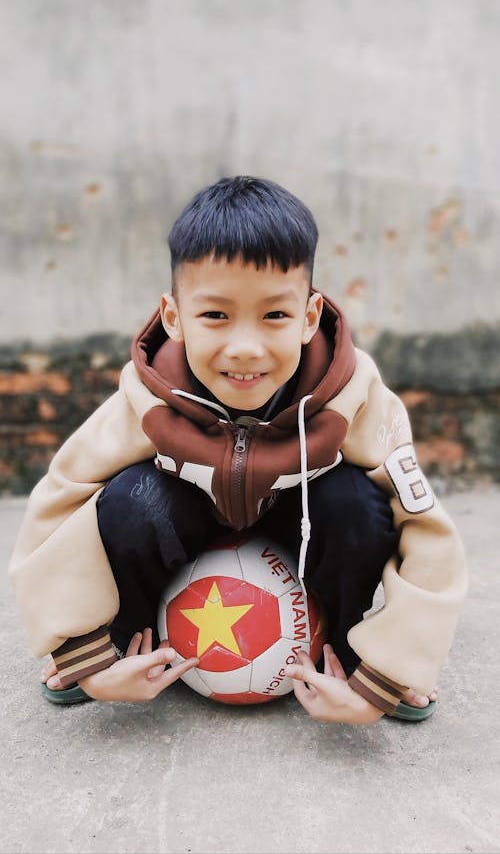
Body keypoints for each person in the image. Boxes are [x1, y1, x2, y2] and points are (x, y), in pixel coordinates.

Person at [9, 175, 467, 725]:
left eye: (275, 314)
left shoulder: (353, 395)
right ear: (174, 318)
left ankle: (348, 657)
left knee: (355, 506)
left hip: (299, 536)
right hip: (185, 528)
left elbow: (426, 526)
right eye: (215, 315)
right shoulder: (148, 395)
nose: (245, 347)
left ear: (309, 317)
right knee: (133, 499)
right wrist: (77, 645)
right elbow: (58, 502)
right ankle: (122, 646)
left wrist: (394, 669)